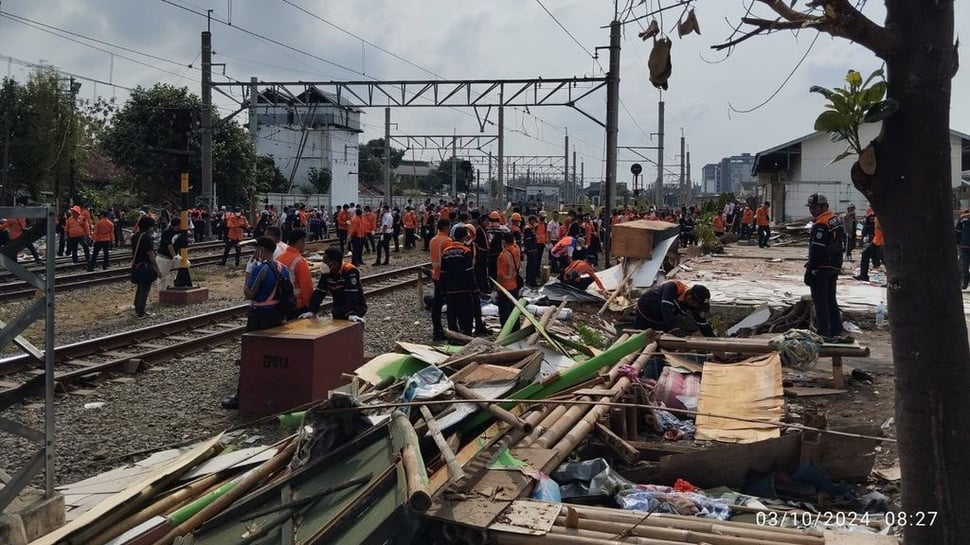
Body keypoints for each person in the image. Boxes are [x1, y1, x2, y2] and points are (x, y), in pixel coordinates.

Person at [221, 236, 290, 410]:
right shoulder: (283, 268)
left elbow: (249, 294)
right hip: (276, 314)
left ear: (261, 250)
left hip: (259, 315)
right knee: (272, 356)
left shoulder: (261, 268)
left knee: (250, 356)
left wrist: (248, 273)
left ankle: (241, 396)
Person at [805, 193, 848, 341]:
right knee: (830, 299)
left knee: (821, 301)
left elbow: (817, 250)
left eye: (815, 207)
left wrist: (810, 269)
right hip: (834, 266)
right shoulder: (836, 220)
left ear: (824, 206)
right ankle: (837, 329)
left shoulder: (821, 224)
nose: (812, 210)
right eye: (810, 207)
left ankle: (824, 332)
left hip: (821, 267)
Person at [304, 247, 367, 320]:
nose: (323, 264)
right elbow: (320, 291)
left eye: (325, 261)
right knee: (337, 313)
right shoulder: (327, 272)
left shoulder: (350, 271)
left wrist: (351, 313)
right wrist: (312, 310)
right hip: (339, 305)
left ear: (335, 263)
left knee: (345, 317)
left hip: (356, 306)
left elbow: (351, 293)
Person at [633, 281, 715, 337]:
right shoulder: (672, 287)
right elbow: (666, 307)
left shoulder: (692, 304)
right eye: (695, 304)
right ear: (689, 297)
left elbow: (702, 323)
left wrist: (713, 339)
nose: (695, 307)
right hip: (644, 313)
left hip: (660, 319)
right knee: (641, 338)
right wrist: (672, 328)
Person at [441, 225, 476, 336]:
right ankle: (466, 335)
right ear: (464, 237)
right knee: (466, 314)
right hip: (464, 289)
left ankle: (453, 336)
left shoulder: (446, 252)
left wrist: (443, 289)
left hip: (450, 290)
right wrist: (474, 287)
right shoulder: (465, 251)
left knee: (452, 315)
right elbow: (469, 271)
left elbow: (443, 272)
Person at [278, 228, 314, 318]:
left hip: (282, 303)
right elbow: (306, 286)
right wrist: (310, 306)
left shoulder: (279, 258)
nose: (305, 244)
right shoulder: (300, 261)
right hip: (298, 304)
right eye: (304, 241)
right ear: (300, 241)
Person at [130, 215, 160, 318]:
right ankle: (141, 311)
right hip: (146, 265)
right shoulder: (147, 237)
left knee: (140, 286)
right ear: (149, 226)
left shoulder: (135, 236)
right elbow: (150, 253)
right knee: (145, 287)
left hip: (137, 264)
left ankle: (137, 306)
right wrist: (157, 267)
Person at [429, 219, 452, 341]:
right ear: (445, 227)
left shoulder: (433, 240)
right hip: (445, 276)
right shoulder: (447, 241)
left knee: (437, 304)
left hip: (435, 274)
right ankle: (451, 331)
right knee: (451, 304)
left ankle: (436, 330)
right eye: (448, 227)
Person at [496, 232, 522, 332]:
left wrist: (497, 288)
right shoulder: (517, 249)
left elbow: (500, 275)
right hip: (514, 284)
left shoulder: (502, 256)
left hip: (505, 287)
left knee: (504, 312)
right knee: (514, 310)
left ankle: (506, 331)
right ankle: (516, 330)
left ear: (503, 241)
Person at [155, 217, 184, 289]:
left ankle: (176, 283)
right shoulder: (167, 232)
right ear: (178, 225)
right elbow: (169, 245)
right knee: (162, 276)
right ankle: (161, 292)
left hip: (173, 256)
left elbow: (188, 233)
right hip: (164, 257)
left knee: (184, 266)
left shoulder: (179, 231)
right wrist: (175, 256)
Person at [854, 213, 884, 283]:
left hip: (882, 242)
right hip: (876, 241)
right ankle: (863, 275)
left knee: (885, 260)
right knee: (865, 254)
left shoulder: (884, 216)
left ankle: (891, 279)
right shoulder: (873, 216)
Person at [957, 209, 970, 290]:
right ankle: (964, 282)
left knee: (963, 265)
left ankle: (965, 282)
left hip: (964, 246)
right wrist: (958, 242)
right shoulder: (963, 219)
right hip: (964, 246)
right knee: (964, 266)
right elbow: (958, 231)